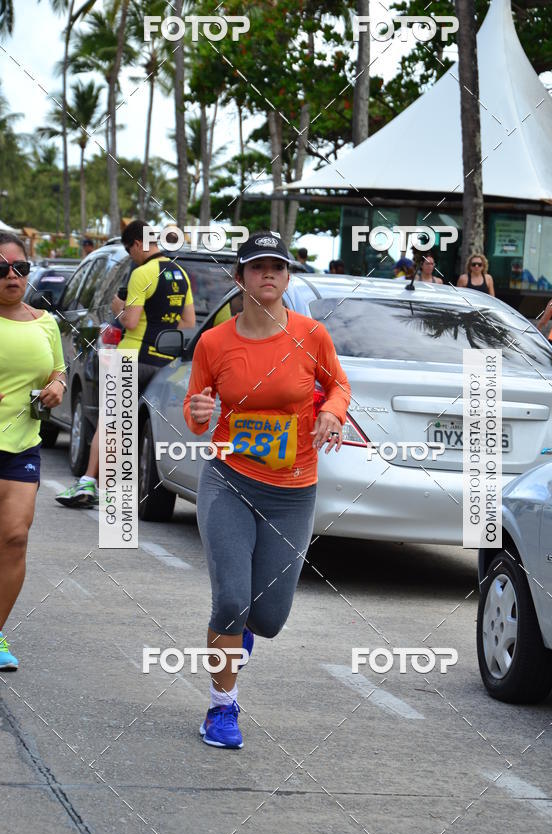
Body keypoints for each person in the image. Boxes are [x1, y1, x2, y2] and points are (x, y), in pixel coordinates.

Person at [184, 231, 350, 749]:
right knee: (231, 600)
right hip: (229, 482)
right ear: (240, 278)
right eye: (258, 267)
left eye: (278, 266)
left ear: (288, 276)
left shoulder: (310, 335)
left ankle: (239, 640)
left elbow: (339, 386)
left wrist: (330, 412)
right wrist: (200, 413)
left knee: (270, 618)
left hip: (293, 491)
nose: (269, 274)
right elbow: (194, 411)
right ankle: (221, 708)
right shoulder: (215, 342)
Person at [56, 220, 196, 508]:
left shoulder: (141, 273)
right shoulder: (181, 273)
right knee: (143, 425)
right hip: (164, 362)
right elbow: (188, 322)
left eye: (130, 251)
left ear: (136, 244)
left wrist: (118, 310)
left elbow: (131, 322)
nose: (132, 256)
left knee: (112, 424)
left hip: (133, 357)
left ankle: (88, 483)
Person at [0, 232, 66, 669]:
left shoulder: (46, 322)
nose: (11, 275)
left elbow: (57, 370)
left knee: (14, 537)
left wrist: (57, 387)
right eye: (1, 269)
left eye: (20, 268)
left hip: (21, 445)